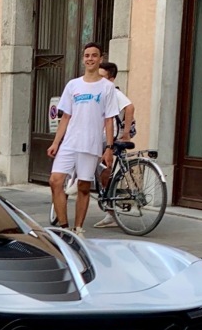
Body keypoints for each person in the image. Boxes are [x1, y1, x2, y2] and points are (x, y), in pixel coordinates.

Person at [46, 42, 121, 231]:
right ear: (83, 59)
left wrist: (109, 148)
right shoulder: (73, 85)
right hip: (70, 142)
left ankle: (78, 229)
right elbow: (65, 118)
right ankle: (64, 226)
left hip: (91, 144)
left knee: (84, 187)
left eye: (94, 55)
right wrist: (56, 142)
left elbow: (109, 120)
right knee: (55, 181)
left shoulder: (107, 88)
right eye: (87, 56)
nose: (90, 59)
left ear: (100, 59)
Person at [92, 60, 136, 228]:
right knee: (105, 172)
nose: (99, 80)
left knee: (101, 169)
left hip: (106, 137)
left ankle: (109, 208)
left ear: (111, 79)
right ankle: (108, 206)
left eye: (102, 77)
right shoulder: (101, 92)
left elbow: (130, 108)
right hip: (102, 136)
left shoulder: (113, 92)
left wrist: (125, 134)